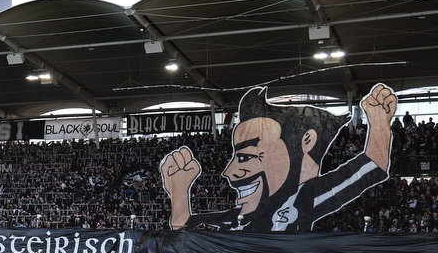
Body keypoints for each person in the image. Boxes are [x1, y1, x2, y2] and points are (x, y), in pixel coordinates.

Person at [161, 83, 395, 231]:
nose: (228, 173)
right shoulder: (237, 217)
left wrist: (379, 124)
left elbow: (371, 166)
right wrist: (179, 193)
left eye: (245, 157)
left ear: (306, 142)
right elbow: (183, 231)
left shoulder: (303, 199)